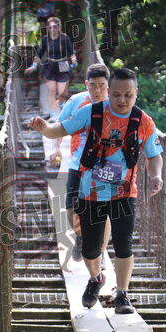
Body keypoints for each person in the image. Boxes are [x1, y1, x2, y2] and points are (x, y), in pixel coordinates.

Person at [28, 67, 163, 314]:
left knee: (124, 245)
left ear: (136, 94)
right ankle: (95, 278)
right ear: (109, 92)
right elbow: (61, 129)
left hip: (124, 192)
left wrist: (156, 175)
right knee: (90, 250)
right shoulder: (91, 112)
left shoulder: (143, 121)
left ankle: (122, 294)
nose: (122, 100)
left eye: (128, 95)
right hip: (90, 191)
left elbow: (154, 155)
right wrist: (44, 129)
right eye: (117, 95)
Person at [57, 63, 111, 262]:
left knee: (103, 212)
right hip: (78, 164)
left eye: (102, 86)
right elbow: (60, 126)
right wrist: (55, 148)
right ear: (86, 84)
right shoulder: (76, 101)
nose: (97, 90)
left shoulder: (117, 104)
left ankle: (100, 252)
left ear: (108, 85)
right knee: (72, 207)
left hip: (107, 165)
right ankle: (80, 237)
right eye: (93, 86)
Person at [24, 17, 77, 121]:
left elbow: (71, 53)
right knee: (52, 92)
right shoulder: (45, 39)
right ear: (48, 28)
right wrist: (34, 66)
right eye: (50, 27)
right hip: (50, 65)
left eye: (55, 27)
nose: (52, 29)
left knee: (62, 93)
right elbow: (39, 54)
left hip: (63, 64)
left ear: (59, 27)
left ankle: (61, 107)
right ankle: (53, 115)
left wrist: (74, 61)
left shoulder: (64, 38)